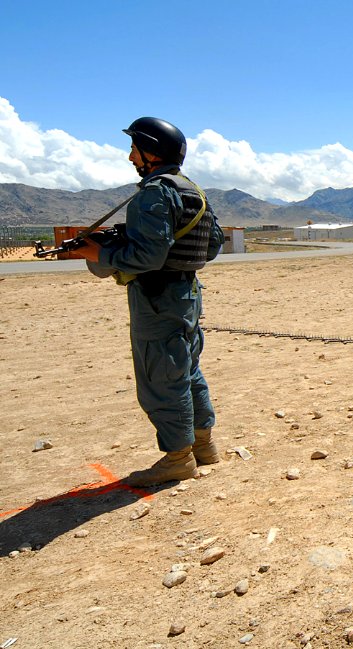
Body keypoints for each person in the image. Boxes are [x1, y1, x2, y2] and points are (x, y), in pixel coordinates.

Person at [77, 117, 224, 487]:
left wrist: (102, 254)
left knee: (161, 378)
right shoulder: (194, 191)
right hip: (187, 294)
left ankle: (177, 459)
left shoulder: (155, 192)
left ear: (150, 151)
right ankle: (204, 447)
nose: (130, 157)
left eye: (134, 148)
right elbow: (213, 243)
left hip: (157, 299)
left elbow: (148, 258)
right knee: (187, 371)